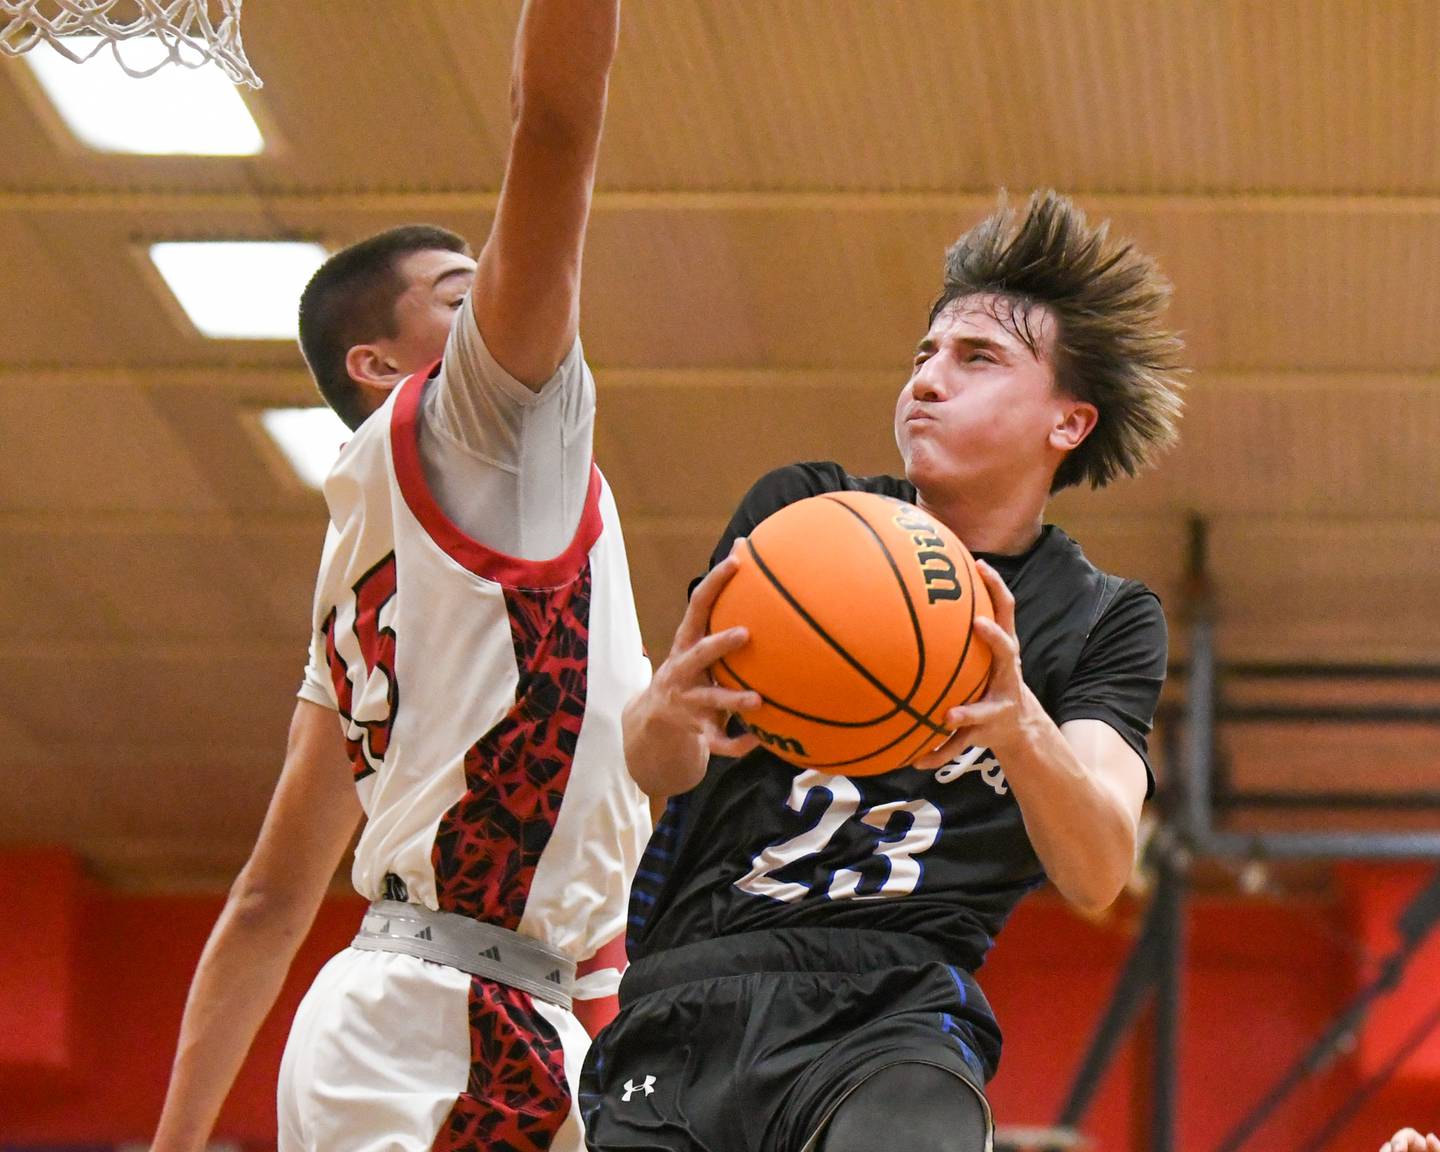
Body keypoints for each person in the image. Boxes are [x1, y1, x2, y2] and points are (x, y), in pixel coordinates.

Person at [579, 190, 1185, 1152]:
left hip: (888, 1006)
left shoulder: (1103, 616)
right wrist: (664, 706)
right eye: (924, 356)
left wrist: (1018, 722)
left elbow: (1100, 867)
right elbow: (661, 766)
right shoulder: (805, 512)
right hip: (694, 984)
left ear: (1068, 423)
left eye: (976, 358)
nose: (927, 381)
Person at [151, 3, 649, 1150]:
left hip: (477, 1015)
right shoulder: (486, 420)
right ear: (379, 366)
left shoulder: (370, 581)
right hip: (437, 1024)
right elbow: (555, 129)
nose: (505, 309)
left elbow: (273, 904)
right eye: (462, 295)